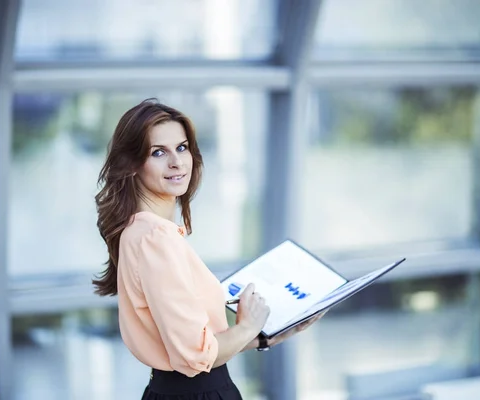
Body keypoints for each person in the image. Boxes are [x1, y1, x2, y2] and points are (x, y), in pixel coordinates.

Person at [92, 98, 323, 399]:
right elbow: (197, 357)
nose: (176, 162)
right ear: (132, 164)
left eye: (182, 147)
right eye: (158, 152)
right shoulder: (155, 239)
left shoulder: (142, 232)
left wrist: (263, 335)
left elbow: (195, 349)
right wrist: (247, 326)